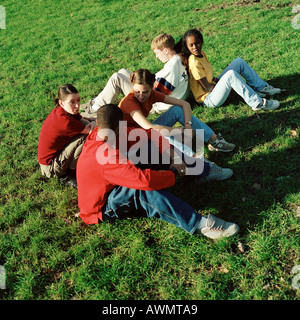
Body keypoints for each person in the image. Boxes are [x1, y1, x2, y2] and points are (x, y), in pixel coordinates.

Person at [76, 104, 240, 239]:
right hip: (102, 207)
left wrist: (174, 159)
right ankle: (200, 224)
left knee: (148, 147)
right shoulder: (105, 155)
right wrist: (173, 174)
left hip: (113, 181)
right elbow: (144, 181)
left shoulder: (104, 131)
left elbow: (150, 134)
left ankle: (202, 170)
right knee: (140, 191)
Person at [81, 33, 235, 153]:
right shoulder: (131, 102)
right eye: (138, 91)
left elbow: (181, 103)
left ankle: (213, 140)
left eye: (145, 92)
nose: (141, 96)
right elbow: (149, 127)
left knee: (119, 77)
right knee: (164, 134)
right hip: (134, 137)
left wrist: (187, 127)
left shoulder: (159, 86)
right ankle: (199, 163)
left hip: (147, 124)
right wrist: (180, 131)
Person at [178, 28, 281, 111]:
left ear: (202, 42)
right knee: (231, 75)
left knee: (238, 62)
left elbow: (209, 77)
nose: (195, 47)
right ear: (187, 46)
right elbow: (207, 88)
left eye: (197, 43)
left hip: (213, 90)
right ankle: (257, 103)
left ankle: (261, 87)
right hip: (209, 99)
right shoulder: (194, 62)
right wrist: (229, 88)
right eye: (191, 45)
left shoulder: (201, 54)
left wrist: (222, 83)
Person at [38, 84, 96, 186]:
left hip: (53, 156)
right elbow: (92, 131)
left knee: (86, 127)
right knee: (84, 138)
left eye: (78, 100)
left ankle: (72, 168)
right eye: (72, 102)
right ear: (61, 103)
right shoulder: (65, 121)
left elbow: (82, 119)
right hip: (51, 167)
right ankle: (69, 173)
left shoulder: (65, 111)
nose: (77, 105)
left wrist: (91, 120)